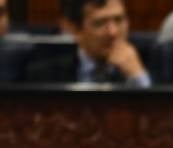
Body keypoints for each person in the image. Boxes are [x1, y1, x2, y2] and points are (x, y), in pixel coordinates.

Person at [23, 0, 151, 86]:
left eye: (119, 20)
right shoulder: (44, 76)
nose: (113, 32)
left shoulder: (152, 62)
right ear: (72, 28)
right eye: (100, 23)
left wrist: (138, 77)